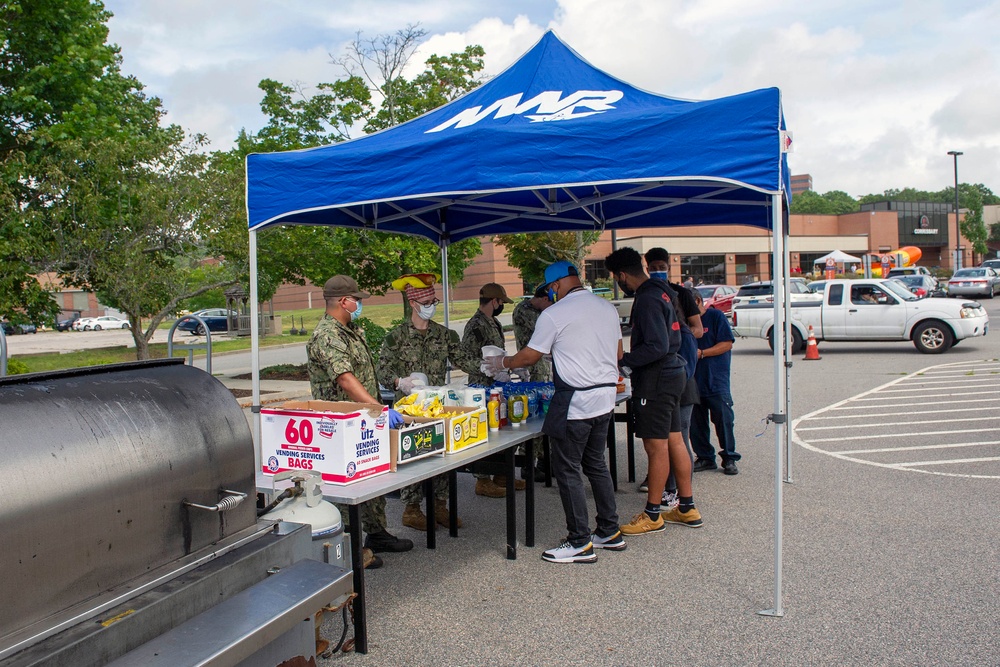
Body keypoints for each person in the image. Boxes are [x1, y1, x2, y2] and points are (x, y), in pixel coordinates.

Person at [486, 261, 623, 564]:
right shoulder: (607, 308)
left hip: (577, 402)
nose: (551, 294)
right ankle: (609, 531)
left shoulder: (555, 313)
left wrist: (503, 364)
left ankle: (579, 542)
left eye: (551, 289)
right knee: (596, 464)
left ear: (556, 285)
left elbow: (531, 355)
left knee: (567, 470)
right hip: (605, 399)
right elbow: (618, 354)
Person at [307, 275, 413, 567]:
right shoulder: (327, 335)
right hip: (338, 424)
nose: (360, 304)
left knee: (371, 476)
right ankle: (347, 548)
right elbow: (344, 378)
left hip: (363, 418)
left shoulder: (350, 329)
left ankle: (376, 533)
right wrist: (378, 407)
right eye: (358, 299)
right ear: (344, 301)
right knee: (345, 487)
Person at [606, 247, 703, 534]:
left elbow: (656, 346)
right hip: (674, 373)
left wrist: (624, 363)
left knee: (655, 445)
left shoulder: (647, 298)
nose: (618, 283)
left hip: (657, 378)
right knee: (675, 440)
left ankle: (653, 514)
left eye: (616, 278)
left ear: (622, 275)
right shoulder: (663, 291)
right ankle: (686, 507)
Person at [377, 274, 482, 531]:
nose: (431, 305)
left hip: (438, 406)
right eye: (425, 301)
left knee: (443, 457)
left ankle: (439, 506)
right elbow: (381, 371)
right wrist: (399, 381)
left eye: (433, 300)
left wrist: (491, 367)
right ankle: (411, 510)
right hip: (409, 410)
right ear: (413, 304)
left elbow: (463, 360)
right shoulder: (396, 337)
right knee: (413, 458)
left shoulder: (444, 335)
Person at [637, 247, 703, 495]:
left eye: (660, 267)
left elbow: (698, 329)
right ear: (646, 267)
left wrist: (679, 332)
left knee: (677, 436)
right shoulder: (650, 295)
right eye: (652, 267)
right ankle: (673, 492)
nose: (657, 271)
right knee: (663, 438)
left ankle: (675, 492)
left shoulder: (679, 296)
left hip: (676, 376)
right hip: (666, 375)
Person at [461, 282, 523, 497]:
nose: (502, 306)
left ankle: (501, 474)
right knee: (485, 431)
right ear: (494, 301)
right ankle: (482, 480)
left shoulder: (492, 322)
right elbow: (465, 357)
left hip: (498, 383)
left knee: (503, 428)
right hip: (482, 385)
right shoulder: (476, 325)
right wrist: (483, 368)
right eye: (501, 302)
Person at [690, 290, 740, 475]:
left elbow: (727, 343)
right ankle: (705, 457)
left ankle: (729, 457)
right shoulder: (686, 322)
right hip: (694, 381)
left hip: (716, 380)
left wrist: (702, 353)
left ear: (697, 300)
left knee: (723, 420)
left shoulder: (715, 316)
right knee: (696, 423)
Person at [511, 283, 554, 483]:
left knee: (547, 415)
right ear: (544, 299)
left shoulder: (540, 311)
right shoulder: (524, 310)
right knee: (534, 415)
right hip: (533, 367)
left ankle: (545, 459)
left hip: (544, 366)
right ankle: (528, 463)